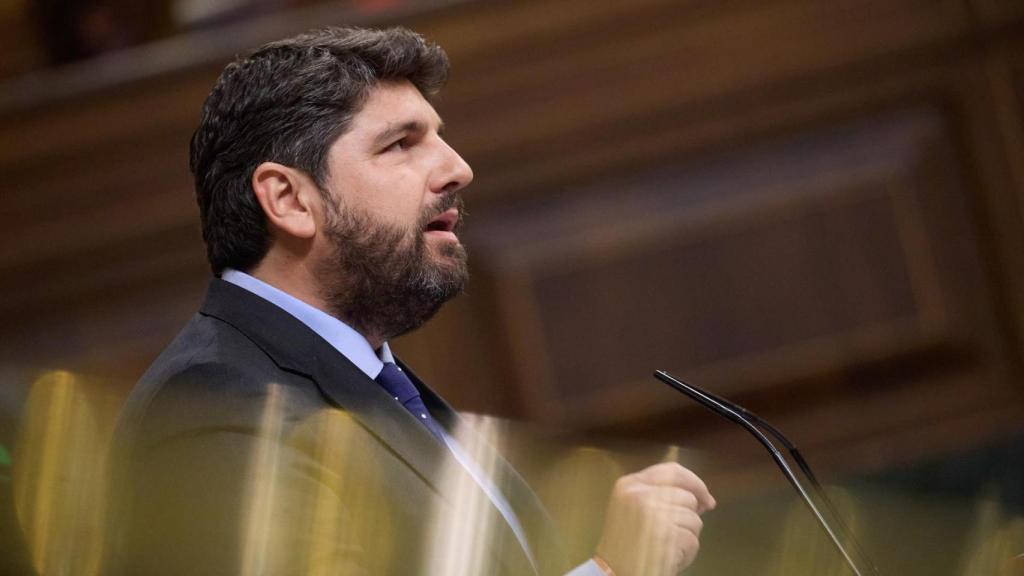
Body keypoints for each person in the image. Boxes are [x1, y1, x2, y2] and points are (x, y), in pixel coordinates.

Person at [106, 26, 715, 576]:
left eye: (439, 138)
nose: (458, 169)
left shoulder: (373, 378)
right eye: (400, 144)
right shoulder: (215, 411)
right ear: (289, 200)